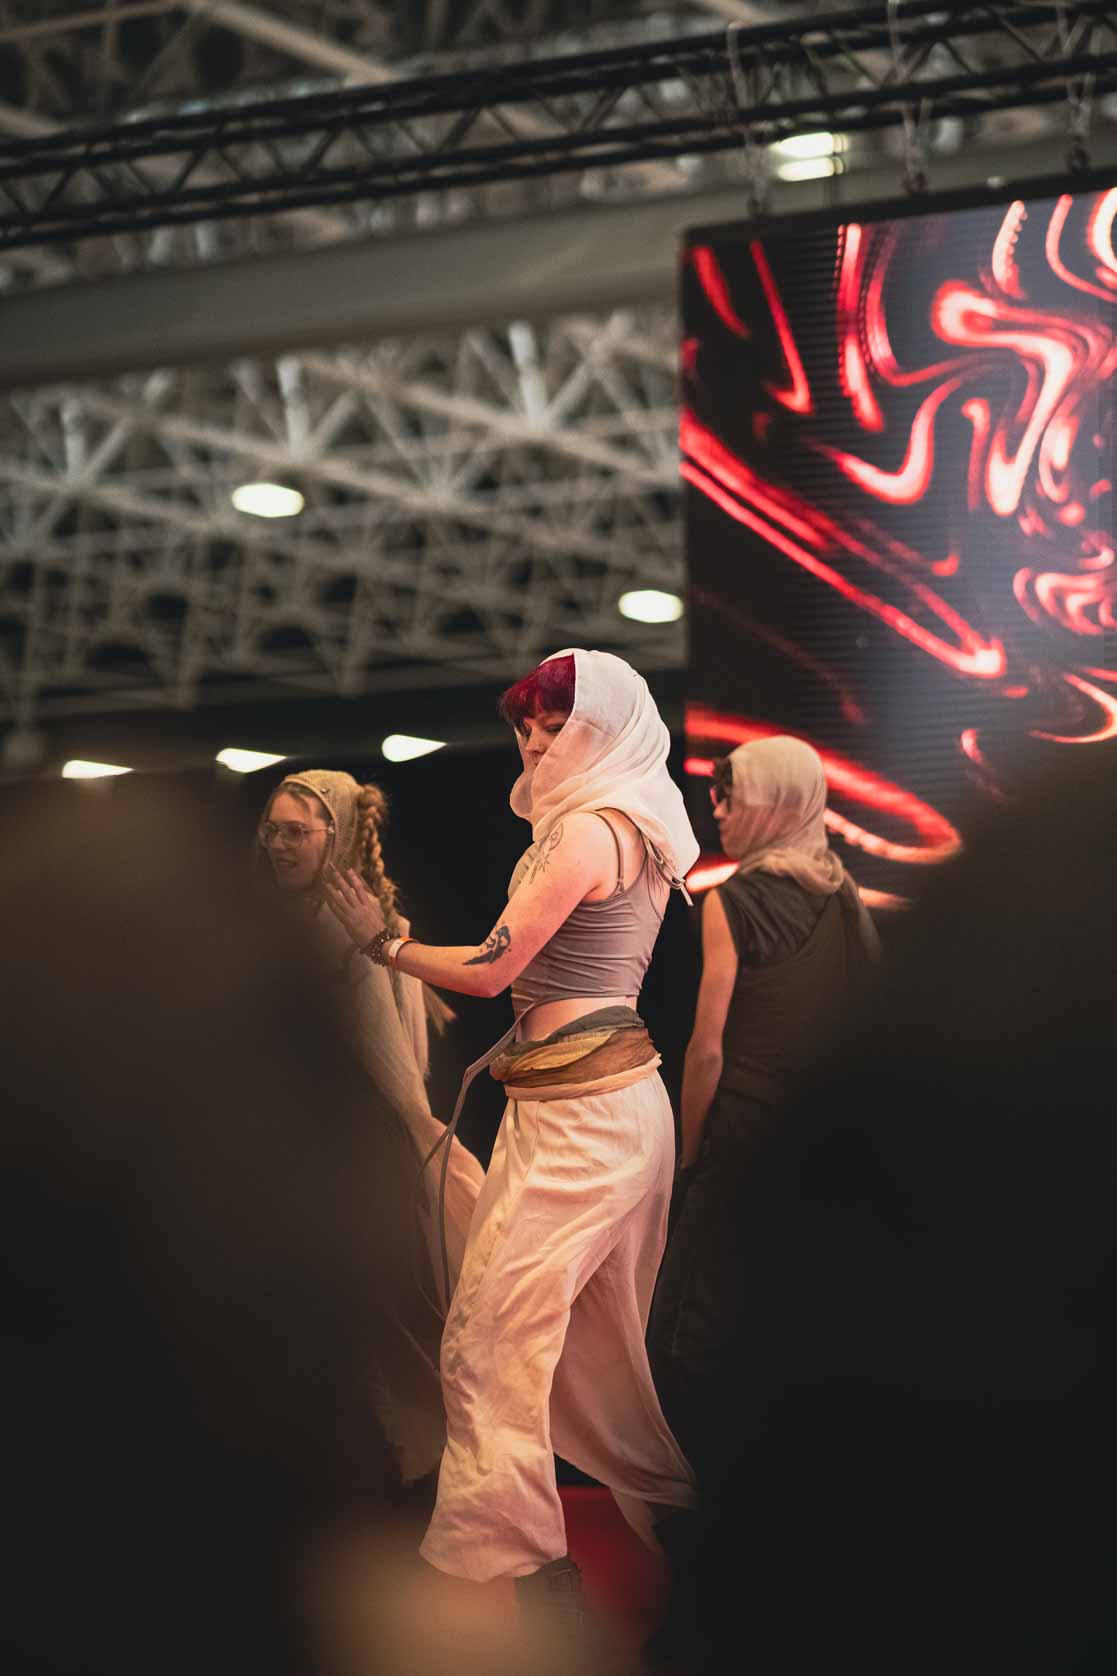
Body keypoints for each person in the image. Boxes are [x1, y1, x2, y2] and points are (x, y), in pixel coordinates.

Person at [322, 649, 700, 1619]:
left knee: (489, 1338)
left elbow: (493, 969)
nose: (535, 743)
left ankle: (516, 1569)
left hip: (586, 1117)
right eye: (526, 726)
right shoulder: (629, 821)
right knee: (584, 1352)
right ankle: (684, 1528)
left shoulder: (588, 830)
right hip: (588, 1109)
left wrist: (383, 943)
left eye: (555, 725)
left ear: (604, 729)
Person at [647, 736, 880, 1484]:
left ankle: (695, 1500)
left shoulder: (732, 901)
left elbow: (706, 1050)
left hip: (741, 1136)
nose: (717, 810)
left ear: (775, 803)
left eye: (730, 795)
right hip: (820, 1140)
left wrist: (688, 1156)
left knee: (684, 1329)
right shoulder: (841, 893)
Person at [258, 768, 485, 1483]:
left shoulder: (337, 929)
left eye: (296, 832)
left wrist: (419, 1150)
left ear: (338, 837)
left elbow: (393, 1066)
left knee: (373, 1343)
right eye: (272, 830)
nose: (278, 845)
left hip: (347, 1164)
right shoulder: (323, 923)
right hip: (316, 1159)